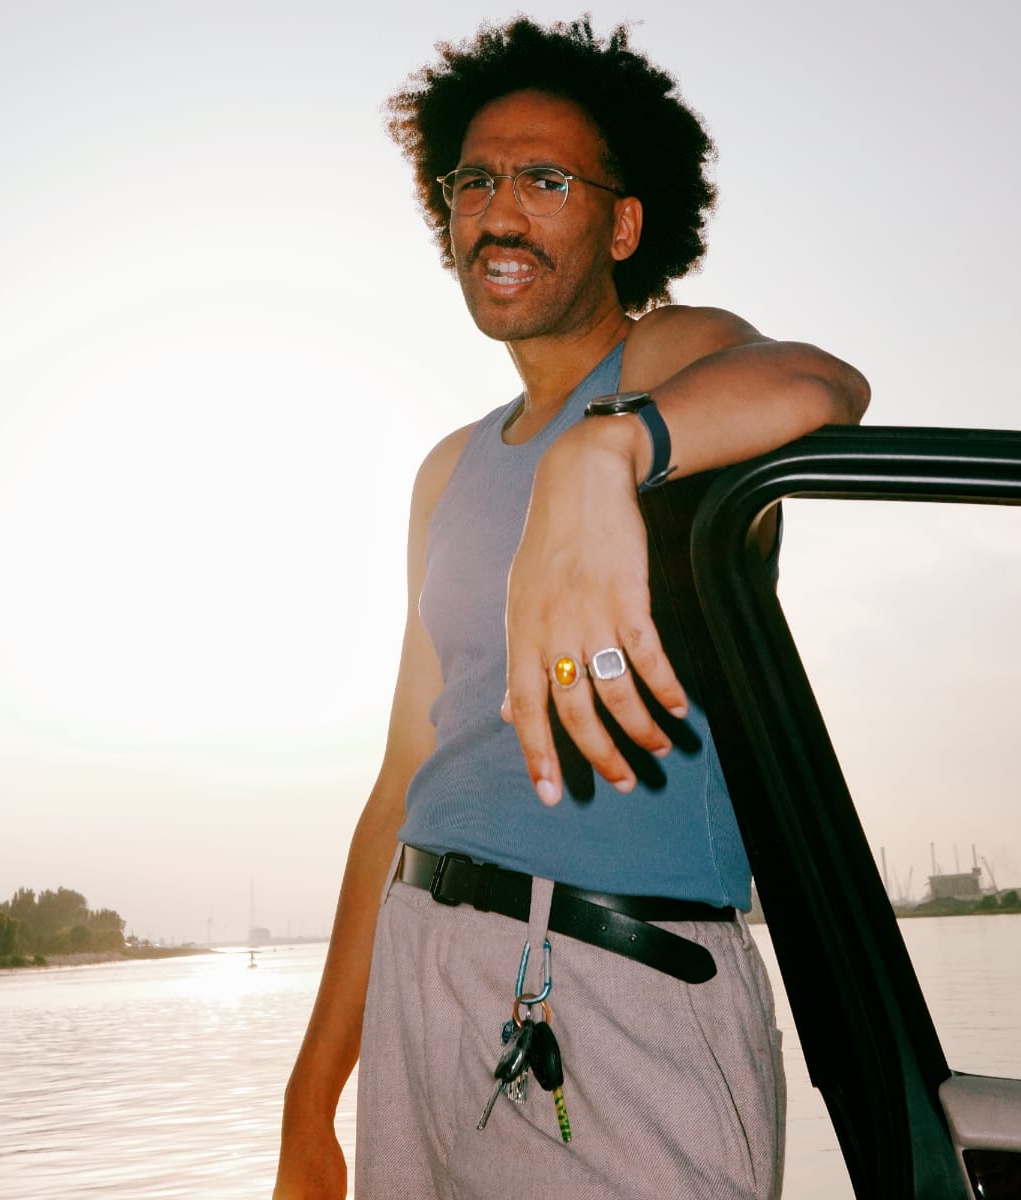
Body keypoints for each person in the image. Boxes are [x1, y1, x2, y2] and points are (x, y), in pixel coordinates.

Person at [274, 16, 868, 1200]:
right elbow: (400, 784)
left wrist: (605, 456)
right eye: (475, 181)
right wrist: (309, 1097)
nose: (500, 211)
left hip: (616, 983)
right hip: (421, 971)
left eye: (546, 180)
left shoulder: (662, 369)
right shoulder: (445, 469)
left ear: (623, 223)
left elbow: (820, 384)